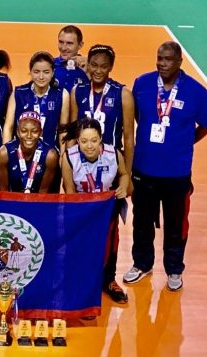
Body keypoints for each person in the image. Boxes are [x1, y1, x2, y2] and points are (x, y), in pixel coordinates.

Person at [123, 41, 207, 292]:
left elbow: (206, 125)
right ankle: (142, 264)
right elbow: (138, 116)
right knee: (142, 221)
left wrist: (185, 141)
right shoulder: (142, 84)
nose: (162, 63)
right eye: (159, 58)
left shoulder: (197, 92)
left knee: (176, 224)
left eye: (168, 59)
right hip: (144, 168)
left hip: (177, 172)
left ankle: (174, 269)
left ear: (179, 62)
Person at [61, 118, 130, 304]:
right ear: (77, 140)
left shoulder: (113, 153)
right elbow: (69, 191)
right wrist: (81, 215)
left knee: (110, 244)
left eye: (94, 140)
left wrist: (123, 186)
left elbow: (124, 174)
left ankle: (109, 280)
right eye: (84, 141)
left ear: (101, 139)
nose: (89, 146)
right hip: (82, 210)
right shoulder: (69, 157)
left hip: (106, 208)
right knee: (82, 246)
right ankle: (81, 282)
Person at [71, 45, 135, 174]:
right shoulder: (77, 91)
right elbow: (72, 132)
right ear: (88, 64)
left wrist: (127, 173)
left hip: (111, 162)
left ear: (111, 67)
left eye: (104, 66)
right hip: (82, 163)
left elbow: (128, 137)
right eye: (94, 65)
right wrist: (70, 164)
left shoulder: (123, 94)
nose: (98, 71)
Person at [3, 51, 70, 152]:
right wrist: (7, 152)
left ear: (53, 73)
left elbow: (63, 130)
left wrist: (63, 154)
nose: (41, 77)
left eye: (46, 72)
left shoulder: (62, 94)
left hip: (50, 154)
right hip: (21, 154)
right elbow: (8, 127)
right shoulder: (18, 93)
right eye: (36, 72)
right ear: (30, 72)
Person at [0, 111, 59, 193]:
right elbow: (3, 191)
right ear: (18, 132)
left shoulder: (50, 156)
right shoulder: (4, 153)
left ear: (41, 132)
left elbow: (43, 191)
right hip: (12, 199)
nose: (29, 136)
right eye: (24, 131)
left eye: (34, 131)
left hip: (38, 199)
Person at [53, 25, 88, 93]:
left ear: (80, 45)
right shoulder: (50, 65)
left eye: (69, 43)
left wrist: (87, 71)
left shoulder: (88, 67)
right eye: (61, 42)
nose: (63, 48)